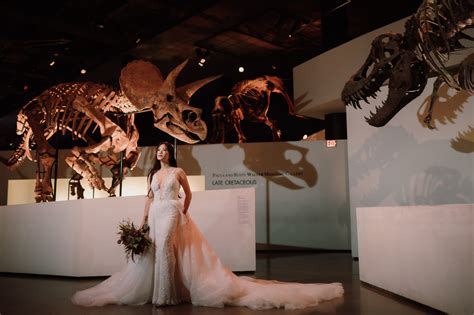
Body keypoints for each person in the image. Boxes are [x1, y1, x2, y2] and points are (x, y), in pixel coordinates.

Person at [72, 142, 344, 309]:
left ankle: (166, 297)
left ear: (170, 153)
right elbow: (149, 197)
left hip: (171, 212)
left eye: (165, 150)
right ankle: (160, 291)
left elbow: (188, 195)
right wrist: (143, 221)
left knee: (167, 247)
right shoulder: (154, 173)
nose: (161, 152)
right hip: (156, 212)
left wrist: (184, 213)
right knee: (157, 250)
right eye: (159, 150)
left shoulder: (178, 172)